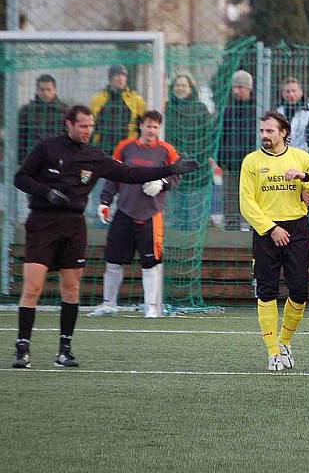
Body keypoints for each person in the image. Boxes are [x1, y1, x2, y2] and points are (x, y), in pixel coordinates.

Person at [11, 105, 198, 369]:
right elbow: (20, 178)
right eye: (82, 126)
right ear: (69, 124)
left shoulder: (94, 156)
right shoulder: (47, 148)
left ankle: (64, 350)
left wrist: (169, 170)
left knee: (72, 288)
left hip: (74, 226)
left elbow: (130, 174)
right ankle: (23, 348)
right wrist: (45, 192)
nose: (87, 131)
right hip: (42, 223)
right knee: (32, 288)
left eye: (90, 126)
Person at [239, 110, 309, 371]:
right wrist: (270, 229)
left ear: (284, 133)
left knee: (300, 291)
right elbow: (246, 203)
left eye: (270, 131)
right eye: (262, 131)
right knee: (267, 291)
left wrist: (305, 180)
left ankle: (285, 342)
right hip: (267, 231)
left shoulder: (300, 158)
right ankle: (272, 353)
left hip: (297, 229)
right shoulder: (252, 162)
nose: (264, 135)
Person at [89, 110, 181, 319]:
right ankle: (109, 303)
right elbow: (112, 175)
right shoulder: (125, 147)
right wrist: (105, 201)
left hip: (151, 214)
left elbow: (177, 176)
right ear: (141, 125)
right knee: (113, 259)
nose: (151, 130)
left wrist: (162, 183)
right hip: (124, 209)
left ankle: (151, 306)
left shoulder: (166, 151)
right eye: (148, 125)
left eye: (156, 127)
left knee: (151, 262)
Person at [163, 73, 215, 230]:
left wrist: (205, 158)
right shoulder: (167, 109)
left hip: (196, 168)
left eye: (184, 85)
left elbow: (208, 135)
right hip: (174, 167)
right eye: (177, 85)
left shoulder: (201, 108)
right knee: (176, 214)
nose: (180, 88)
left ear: (190, 88)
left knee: (193, 215)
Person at [218, 70, 257, 230]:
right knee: (231, 202)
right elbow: (222, 135)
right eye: (235, 87)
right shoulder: (228, 109)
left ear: (249, 88)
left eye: (240, 87)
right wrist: (222, 160)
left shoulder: (257, 110)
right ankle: (231, 230)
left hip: (254, 166)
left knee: (253, 201)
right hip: (232, 164)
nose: (236, 91)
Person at [90, 65, 147, 154]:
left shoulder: (136, 99)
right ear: (110, 78)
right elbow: (92, 123)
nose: (121, 78)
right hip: (104, 145)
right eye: (117, 75)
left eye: (123, 75)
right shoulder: (98, 99)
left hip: (128, 147)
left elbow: (144, 124)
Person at [18, 74, 68, 162]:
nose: (45, 93)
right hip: (33, 158)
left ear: (54, 90)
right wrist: (22, 159)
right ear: (37, 91)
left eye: (48, 89)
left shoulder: (65, 111)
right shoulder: (27, 111)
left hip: (57, 157)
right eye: (42, 89)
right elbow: (21, 137)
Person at [277, 77, 309, 154]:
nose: (291, 94)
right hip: (282, 154)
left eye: (294, 91)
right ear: (283, 93)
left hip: (304, 154)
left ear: (301, 92)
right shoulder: (278, 112)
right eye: (287, 91)